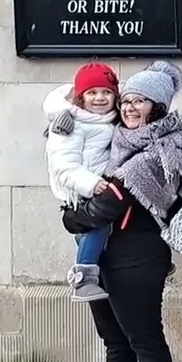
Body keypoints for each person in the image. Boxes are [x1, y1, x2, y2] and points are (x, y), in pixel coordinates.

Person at [62, 60, 182, 362]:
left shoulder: (163, 149)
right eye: (128, 100)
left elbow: (107, 204)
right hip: (104, 258)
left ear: (158, 106)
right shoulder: (111, 140)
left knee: (145, 341)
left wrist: (71, 216)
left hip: (140, 256)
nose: (132, 108)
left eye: (142, 101)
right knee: (115, 342)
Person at [43, 62, 119, 303]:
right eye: (92, 92)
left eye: (106, 92)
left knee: (101, 233)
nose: (100, 98)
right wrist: (91, 183)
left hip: (101, 187)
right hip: (84, 192)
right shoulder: (69, 124)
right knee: (97, 227)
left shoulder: (110, 120)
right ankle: (83, 276)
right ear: (80, 97)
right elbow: (64, 166)